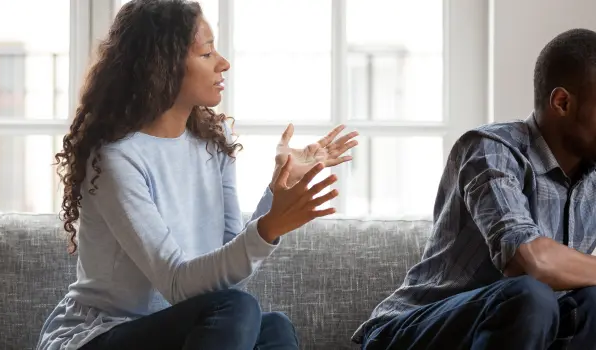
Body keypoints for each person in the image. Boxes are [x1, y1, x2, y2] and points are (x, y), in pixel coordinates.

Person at [37, 1, 358, 349]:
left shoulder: (214, 143)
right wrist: (268, 229)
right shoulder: (118, 158)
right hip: (99, 336)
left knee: (274, 328)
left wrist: (279, 188)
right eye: (206, 54)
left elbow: (229, 281)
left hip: (180, 335)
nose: (223, 63)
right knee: (236, 310)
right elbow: (176, 284)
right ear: (163, 65)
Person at [353, 28, 596, 350]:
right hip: (407, 333)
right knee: (530, 295)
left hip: (523, 330)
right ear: (562, 102)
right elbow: (530, 262)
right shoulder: (491, 150)